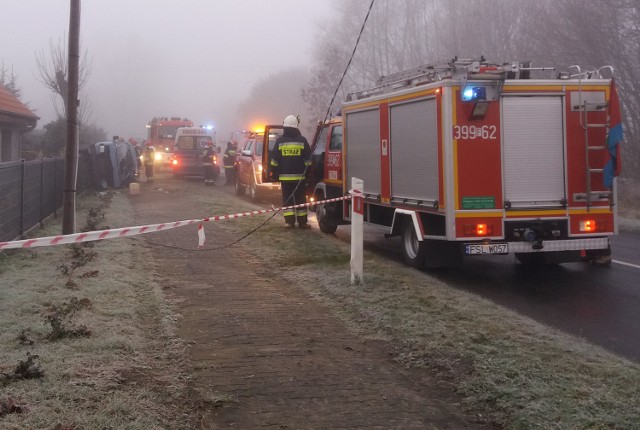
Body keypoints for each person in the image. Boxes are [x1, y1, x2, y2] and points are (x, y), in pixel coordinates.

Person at [270, 114, 312, 228]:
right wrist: (307, 173)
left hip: (285, 178)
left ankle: (289, 222)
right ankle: (302, 223)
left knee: (287, 200)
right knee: (301, 200)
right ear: (295, 127)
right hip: (299, 179)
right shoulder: (302, 140)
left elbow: (274, 160)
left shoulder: (280, 141)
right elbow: (309, 160)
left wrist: (274, 172)